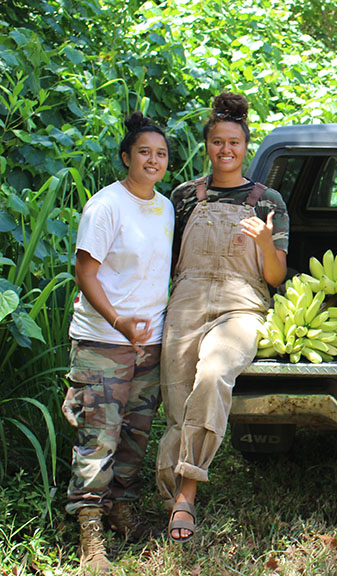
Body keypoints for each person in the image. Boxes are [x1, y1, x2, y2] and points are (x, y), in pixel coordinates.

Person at [156, 92, 289, 542]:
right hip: (187, 300)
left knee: (213, 375)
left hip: (241, 303)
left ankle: (186, 495)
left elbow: (274, 277)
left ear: (245, 147)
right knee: (177, 398)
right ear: (208, 145)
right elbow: (164, 260)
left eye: (234, 142)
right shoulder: (184, 196)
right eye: (217, 142)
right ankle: (171, 487)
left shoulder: (266, 199)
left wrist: (266, 241)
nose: (226, 150)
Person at [63, 112, 173, 572]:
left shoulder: (165, 207)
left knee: (135, 432)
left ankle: (121, 511)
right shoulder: (105, 206)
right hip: (104, 340)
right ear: (126, 157)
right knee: (98, 436)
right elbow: (85, 272)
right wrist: (118, 321)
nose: (153, 160)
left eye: (161, 154)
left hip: (150, 342)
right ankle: (90, 531)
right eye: (144, 152)